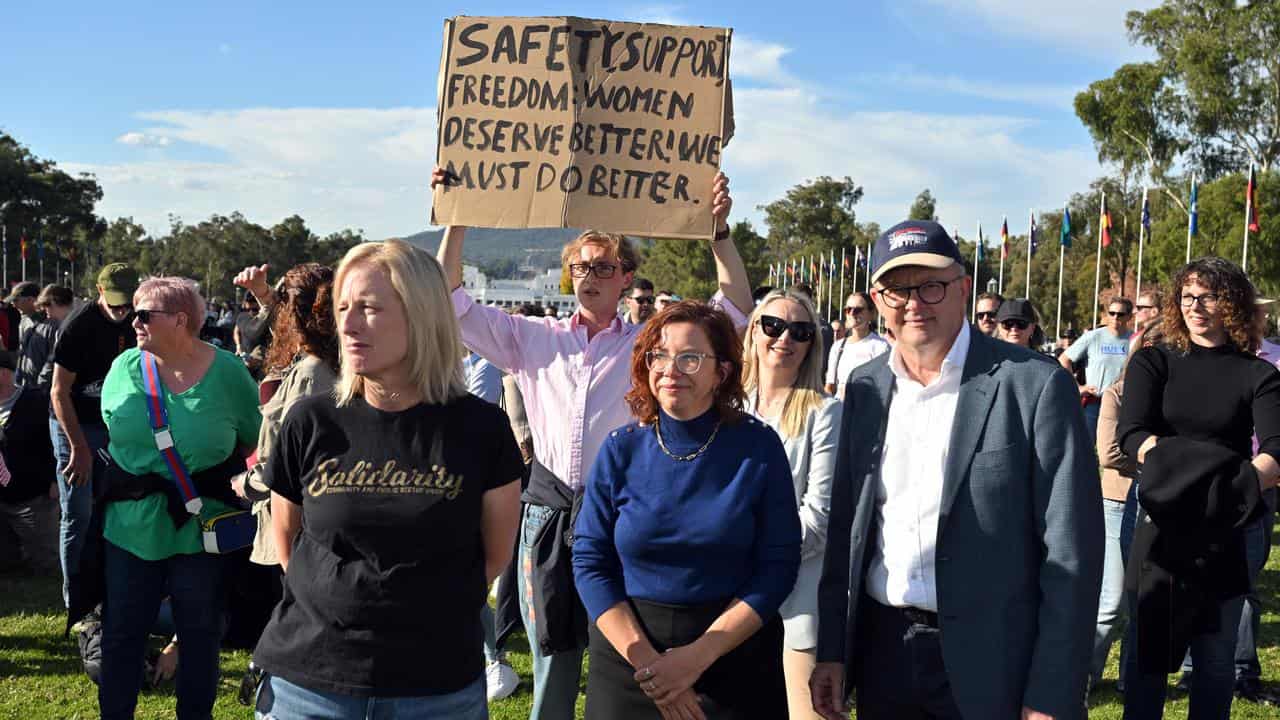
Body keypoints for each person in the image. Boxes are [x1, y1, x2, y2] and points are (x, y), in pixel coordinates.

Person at [433, 166, 752, 720]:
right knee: (553, 662)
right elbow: (448, 299)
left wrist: (720, 233)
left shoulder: (648, 343)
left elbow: (735, 312)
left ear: (627, 277)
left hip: (626, 516)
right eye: (579, 267)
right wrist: (458, 216)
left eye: (603, 267)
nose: (589, 276)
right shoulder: (530, 336)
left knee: (629, 653)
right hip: (549, 517)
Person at [810, 220, 1103, 720]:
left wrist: (1053, 686)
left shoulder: (1032, 386)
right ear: (878, 300)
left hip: (996, 658)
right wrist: (833, 648)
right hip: (885, 655)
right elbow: (848, 532)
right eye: (897, 290)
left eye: (931, 285)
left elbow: (1072, 549)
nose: (913, 303)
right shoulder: (863, 387)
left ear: (963, 288)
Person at [251, 240, 523, 720]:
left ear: (422, 316)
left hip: (436, 687)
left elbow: (496, 553)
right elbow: (288, 541)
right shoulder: (310, 421)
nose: (349, 325)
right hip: (309, 683)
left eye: (370, 309)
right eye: (343, 308)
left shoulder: (480, 428)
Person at [573, 301, 800, 719]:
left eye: (690, 358)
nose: (670, 369)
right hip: (629, 660)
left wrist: (696, 658)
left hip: (732, 657)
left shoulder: (759, 448)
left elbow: (779, 566)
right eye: (658, 355)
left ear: (723, 371)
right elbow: (590, 561)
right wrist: (652, 667)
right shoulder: (619, 449)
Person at [1117, 257, 1280, 720]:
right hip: (1159, 522)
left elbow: (1275, 449)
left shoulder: (1258, 374)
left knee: (1214, 657)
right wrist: (1193, 473)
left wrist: (1235, 488)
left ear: (1231, 303)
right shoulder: (1154, 361)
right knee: (1146, 654)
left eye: (1207, 296)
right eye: (1187, 296)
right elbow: (1132, 435)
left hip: (1229, 528)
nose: (1195, 306)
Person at [97, 276, 262, 720]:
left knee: (200, 633)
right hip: (131, 526)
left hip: (201, 530)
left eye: (145, 314)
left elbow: (253, 438)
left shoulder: (228, 372)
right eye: (134, 313)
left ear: (181, 320)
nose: (135, 322)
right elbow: (115, 431)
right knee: (121, 634)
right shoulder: (124, 367)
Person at [743, 289, 840, 720]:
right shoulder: (724, 407)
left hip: (797, 598)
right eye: (773, 326)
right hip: (722, 595)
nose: (785, 338)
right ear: (753, 334)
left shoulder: (826, 412)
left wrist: (748, 549)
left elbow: (818, 517)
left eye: (800, 331)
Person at [50, 263, 139, 608]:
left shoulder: (139, 320)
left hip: (115, 422)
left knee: (113, 508)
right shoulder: (78, 326)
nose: (122, 311)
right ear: (99, 291)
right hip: (73, 421)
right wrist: (78, 447)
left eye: (127, 303)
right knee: (78, 513)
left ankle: (108, 590)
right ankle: (77, 602)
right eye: (115, 303)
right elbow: (59, 392)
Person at [1094, 322, 1164, 694]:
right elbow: (1108, 452)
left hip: (1163, 505)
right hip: (1120, 502)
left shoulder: (1175, 396)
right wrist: (1164, 462)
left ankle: (1129, 678)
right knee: (1110, 601)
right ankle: (1083, 675)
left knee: (1145, 599)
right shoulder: (1117, 393)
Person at [0, 349, 57, 572]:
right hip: (2, 500)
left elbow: (55, 443)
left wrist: (55, 480)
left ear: (5, 374)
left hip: (33, 498)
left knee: (45, 564)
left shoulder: (35, 402)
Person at [1060, 297, 1133, 437]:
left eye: (1120, 314)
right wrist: (1078, 387)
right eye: (1112, 313)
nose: (1115, 317)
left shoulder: (1134, 339)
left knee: (1114, 451)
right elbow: (1064, 359)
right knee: (1087, 448)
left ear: (1129, 317)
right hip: (1095, 403)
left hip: (1121, 404)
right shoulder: (1093, 337)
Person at [824, 291, 889, 399]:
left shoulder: (881, 347)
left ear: (871, 314)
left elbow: (884, 388)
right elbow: (830, 386)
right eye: (848, 310)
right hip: (840, 411)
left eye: (858, 310)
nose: (852, 313)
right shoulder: (838, 346)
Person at [14, 282, 61, 392]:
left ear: (31, 300)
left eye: (16, 300)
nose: (13, 304)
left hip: (42, 390)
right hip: (25, 385)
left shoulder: (51, 323)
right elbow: (22, 353)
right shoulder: (24, 321)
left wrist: (41, 384)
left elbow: (53, 358)